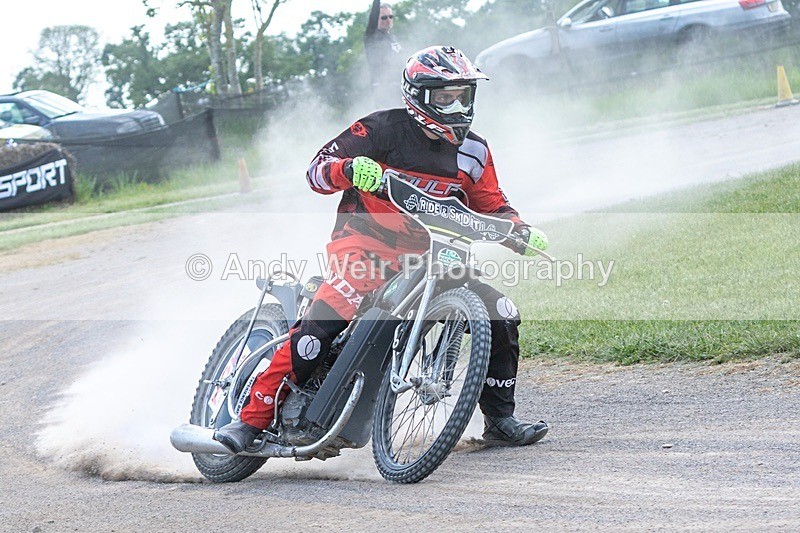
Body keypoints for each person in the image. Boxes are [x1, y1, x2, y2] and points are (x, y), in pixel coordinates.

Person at [215, 46, 549, 453]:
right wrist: (350, 169)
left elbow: (493, 205)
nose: (457, 105)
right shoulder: (379, 130)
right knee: (327, 319)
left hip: (434, 256)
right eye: (445, 96)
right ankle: (249, 420)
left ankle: (499, 420)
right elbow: (316, 171)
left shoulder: (475, 151)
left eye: (463, 95)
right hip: (363, 245)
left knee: (502, 313)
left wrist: (518, 229)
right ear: (418, 96)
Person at [364, 0, 403, 108]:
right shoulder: (372, 35)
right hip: (382, 87)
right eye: (384, 17)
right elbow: (373, 15)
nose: (388, 20)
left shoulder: (393, 37)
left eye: (390, 16)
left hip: (398, 86)